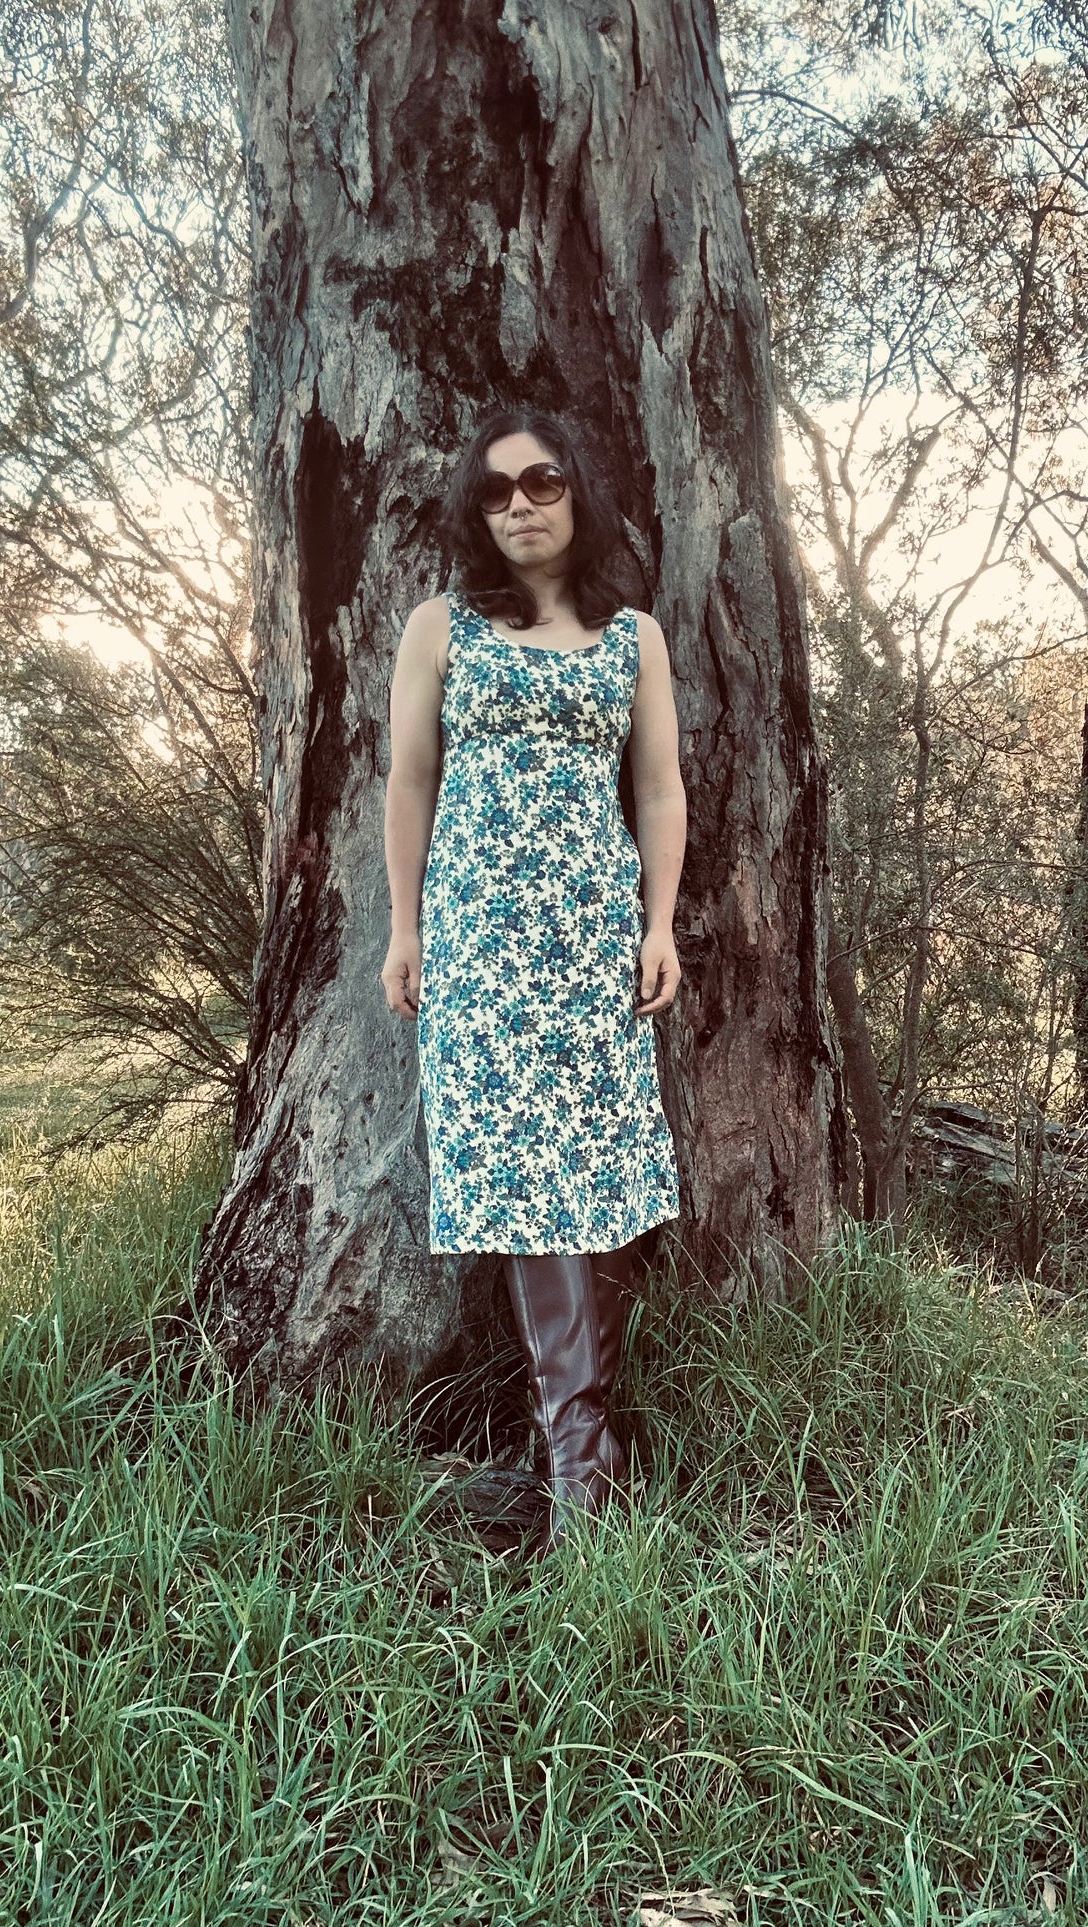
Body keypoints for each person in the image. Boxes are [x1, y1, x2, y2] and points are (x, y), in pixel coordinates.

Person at [381, 408, 685, 1549]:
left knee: (593, 1178)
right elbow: (409, 783)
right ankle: (579, 1455)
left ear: (577, 493)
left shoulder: (633, 638)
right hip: (480, 947)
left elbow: (658, 789)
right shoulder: (440, 627)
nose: (518, 504)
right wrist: (404, 930)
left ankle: (577, 1451)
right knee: (524, 1186)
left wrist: (658, 926)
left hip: (591, 946)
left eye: (541, 482)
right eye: (496, 490)